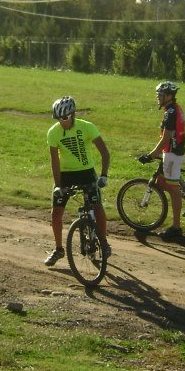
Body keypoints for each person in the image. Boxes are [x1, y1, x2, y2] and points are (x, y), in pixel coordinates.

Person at [44, 96, 111, 267]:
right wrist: (58, 185)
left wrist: (103, 175)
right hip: (66, 174)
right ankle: (59, 249)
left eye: (65, 118)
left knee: (97, 207)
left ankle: (103, 243)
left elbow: (105, 152)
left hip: (87, 173)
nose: (62, 122)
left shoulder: (87, 127)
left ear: (72, 114)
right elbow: (55, 161)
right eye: (58, 118)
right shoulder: (53, 132)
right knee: (56, 213)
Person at [138, 80, 185, 240]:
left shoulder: (171, 112)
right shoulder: (173, 109)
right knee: (164, 183)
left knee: (173, 190)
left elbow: (166, 138)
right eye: (157, 94)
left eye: (160, 94)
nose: (157, 97)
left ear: (169, 96)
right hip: (173, 152)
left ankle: (176, 227)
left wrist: (151, 155)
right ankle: (183, 197)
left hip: (172, 154)